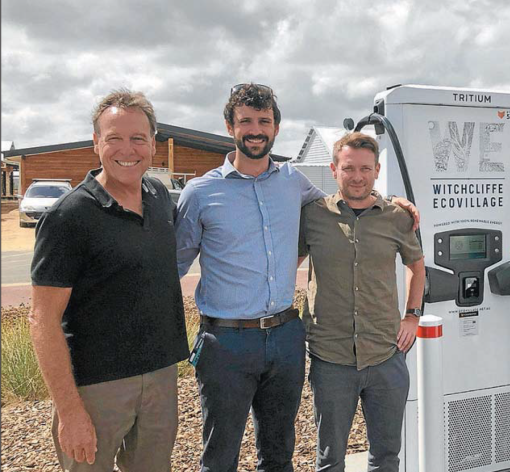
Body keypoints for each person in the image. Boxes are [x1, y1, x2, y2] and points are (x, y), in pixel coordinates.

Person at [175, 84, 419, 472]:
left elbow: (349, 198)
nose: (256, 129)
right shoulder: (200, 192)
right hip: (227, 342)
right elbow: (174, 268)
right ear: (229, 126)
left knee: (278, 453)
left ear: (275, 128)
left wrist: (392, 202)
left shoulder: (293, 182)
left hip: (285, 338)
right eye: (246, 121)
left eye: (264, 121)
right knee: (220, 455)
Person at [28, 89, 188, 472]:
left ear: (153, 144)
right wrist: (70, 412)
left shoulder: (159, 197)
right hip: (96, 389)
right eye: (114, 138)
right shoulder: (69, 218)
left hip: (160, 377)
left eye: (137, 138)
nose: (127, 149)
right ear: (96, 143)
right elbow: (42, 320)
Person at [298, 132, 425, 471]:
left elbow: (416, 266)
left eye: (365, 169)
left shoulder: (397, 218)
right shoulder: (312, 216)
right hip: (330, 357)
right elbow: (283, 265)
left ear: (377, 170)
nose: (357, 177)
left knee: (386, 455)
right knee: (329, 459)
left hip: (385, 355)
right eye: (349, 168)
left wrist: (412, 316)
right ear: (334, 169)